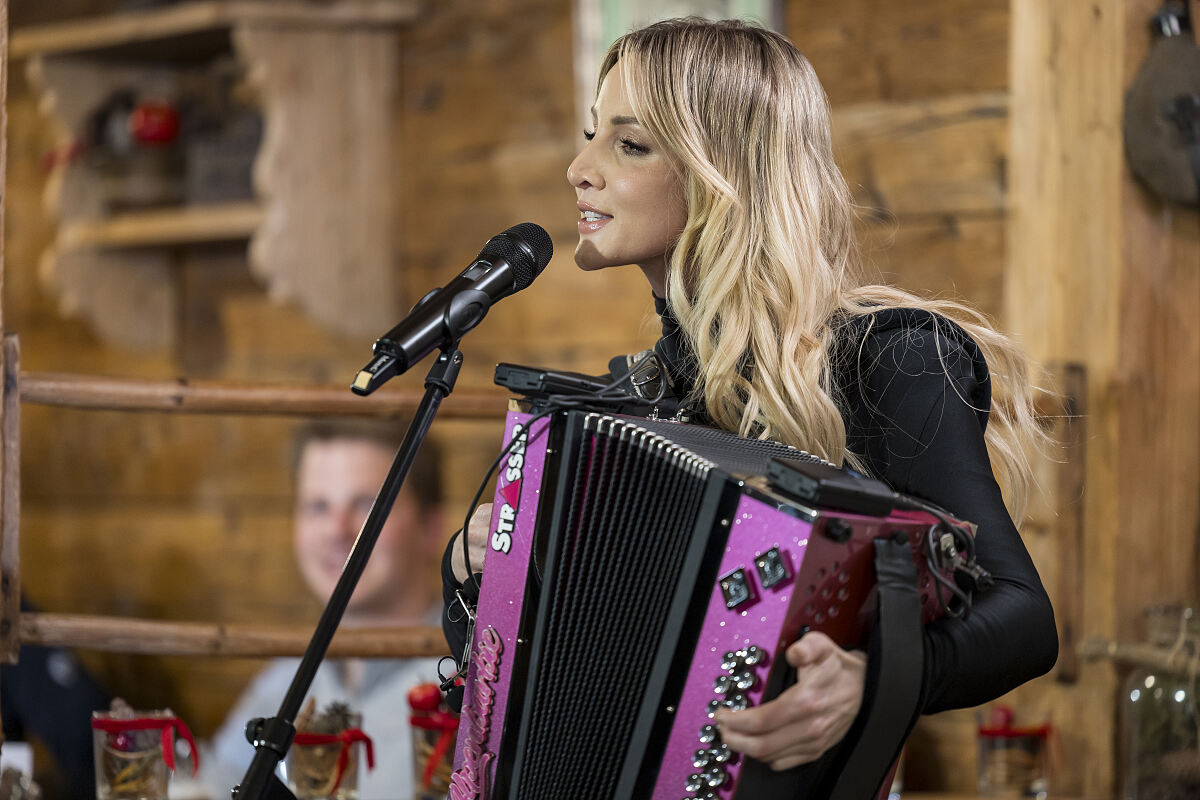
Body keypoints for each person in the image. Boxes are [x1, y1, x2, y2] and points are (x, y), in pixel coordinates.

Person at [443, 15, 1057, 781]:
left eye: (628, 144)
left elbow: (1025, 619)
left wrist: (869, 683)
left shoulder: (888, 357)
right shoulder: (632, 398)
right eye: (591, 135)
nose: (578, 167)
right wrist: (472, 570)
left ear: (720, 173)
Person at [204, 420, 446, 799]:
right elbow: (215, 784)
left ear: (431, 528)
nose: (337, 530)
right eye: (318, 507)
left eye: (368, 504)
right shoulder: (286, 679)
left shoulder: (477, 685)